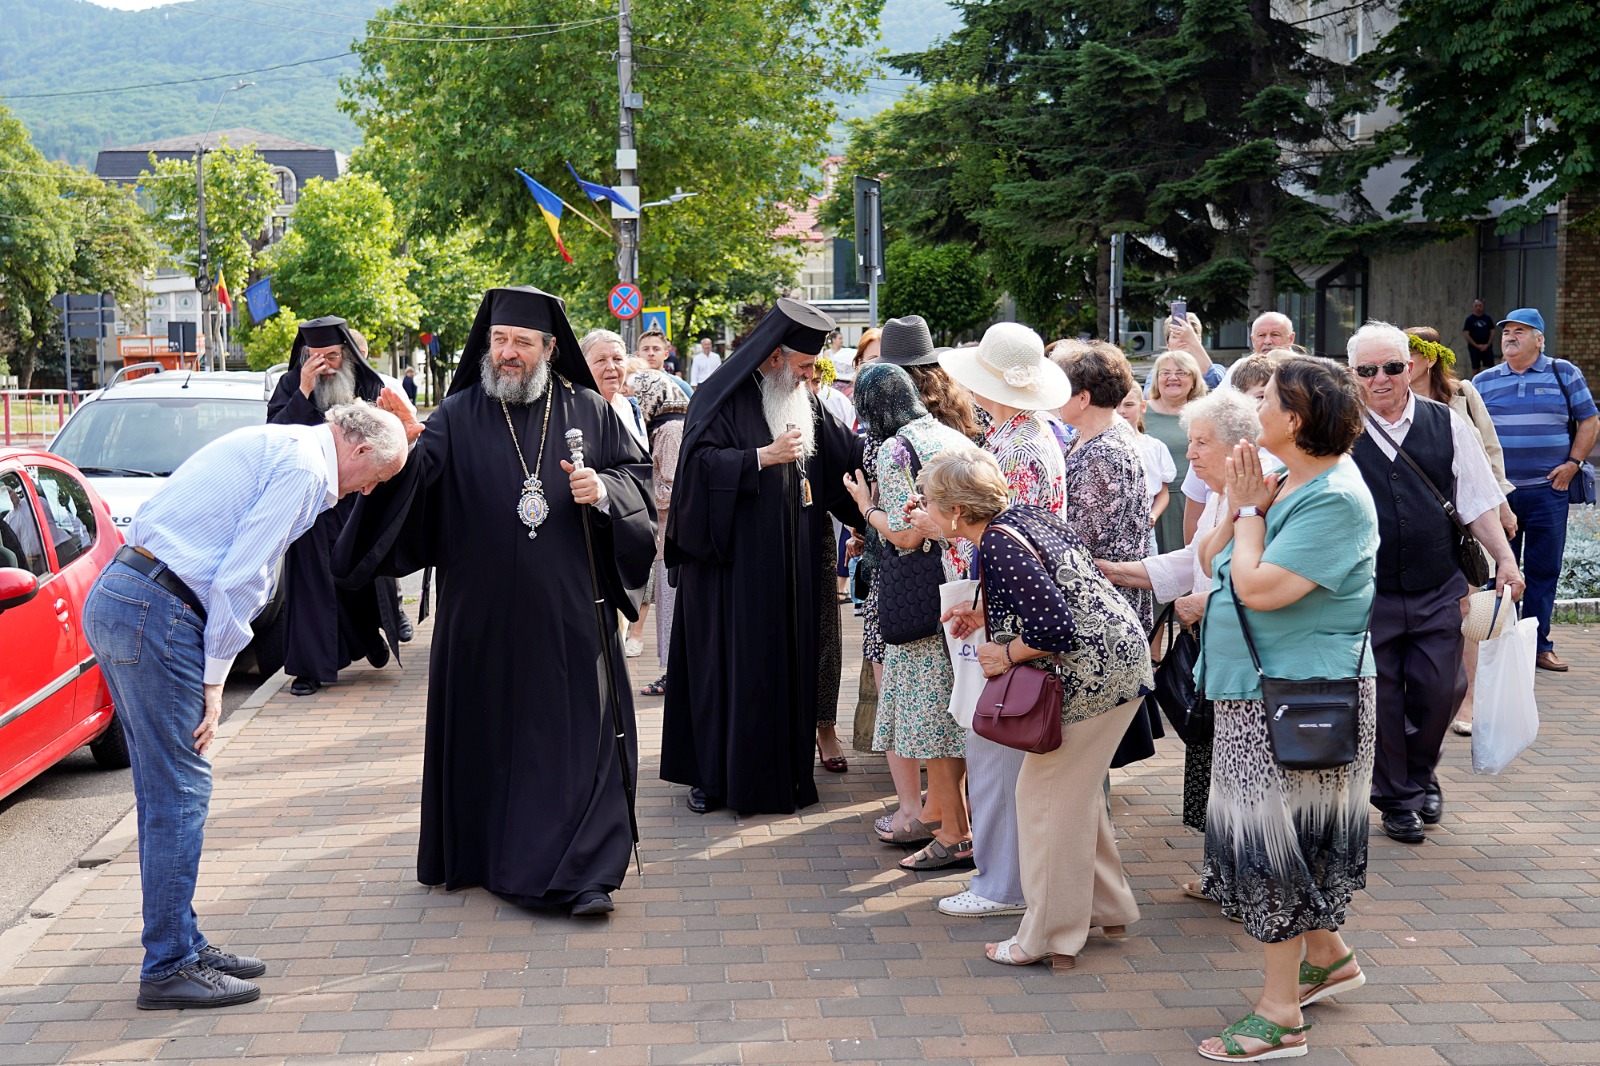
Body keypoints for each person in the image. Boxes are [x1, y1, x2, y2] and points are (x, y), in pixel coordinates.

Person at [336, 286, 657, 917]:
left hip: (569, 613)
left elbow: (636, 484)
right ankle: (487, 855)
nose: (508, 353)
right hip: (481, 616)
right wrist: (403, 449)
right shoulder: (457, 414)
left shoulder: (590, 409)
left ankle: (585, 873)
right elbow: (414, 488)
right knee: (493, 737)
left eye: (522, 343)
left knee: (575, 739)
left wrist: (604, 491)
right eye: (499, 340)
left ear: (549, 348)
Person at [83, 402, 408, 1009]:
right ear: (361, 450)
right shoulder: (306, 470)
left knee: (164, 789)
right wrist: (216, 681)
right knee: (180, 791)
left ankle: (181, 943)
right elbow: (241, 577)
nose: (366, 492)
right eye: (376, 479)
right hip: (157, 609)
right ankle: (169, 965)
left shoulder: (285, 446)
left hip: (128, 594)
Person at [1192, 358, 1377, 1062]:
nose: (1254, 406)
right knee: (1280, 841)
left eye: (1266, 398)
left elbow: (1261, 588)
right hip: (1261, 691)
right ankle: (1327, 959)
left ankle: (1281, 1017)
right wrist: (1242, 507)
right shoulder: (1287, 481)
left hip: (1299, 698)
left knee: (1276, 848)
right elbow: (1212, 560)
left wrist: (1247, 513)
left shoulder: (1335, 498)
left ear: (1295, 420)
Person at [928, 447, 1151, 969]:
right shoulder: (1022, 516)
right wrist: (984, 614)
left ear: (956, 511)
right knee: (1071, 797)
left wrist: (1004, 654)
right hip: (1118, 662)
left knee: (1044, 801)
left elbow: (1054, 628)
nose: (925, 510)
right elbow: (1056, 588)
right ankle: (1104, 907)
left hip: (1093, 677)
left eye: (931, 502)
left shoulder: (998, 541)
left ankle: (1048, 935)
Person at [661, 298, 865, 814]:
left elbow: (845, 463)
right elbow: (695, 473)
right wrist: (759, 457)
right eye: (803, 366)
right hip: (729, 575)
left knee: (781, 669)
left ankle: (783, 772)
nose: (808, 377)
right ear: (775, 356)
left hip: (789, 570)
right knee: (728, 672)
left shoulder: (803, 402)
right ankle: (713, 776)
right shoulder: (719, 395)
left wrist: (875, 511)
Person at [1347, 321, 1523, 844]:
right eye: (1367, 370)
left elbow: (1477, 500)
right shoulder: (1338, 427)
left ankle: (1420, 775)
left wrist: (1505, 561)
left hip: (1437, 582)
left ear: (1411, 367)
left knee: (1442, 689)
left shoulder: (1446, 422)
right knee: (1381, 698)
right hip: (1367, 590)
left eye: (1391, 367)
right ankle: (1398, 799)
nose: (1380, 379)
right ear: (1352, 374)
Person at [933, 321, 1071, 919]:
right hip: (1011, 607)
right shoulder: (1029, 434)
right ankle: (1007, 878)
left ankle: (1000, 884)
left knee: (994, 748)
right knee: (1002, 753)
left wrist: (983, 609)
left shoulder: (1015, 447)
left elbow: (1007, 545)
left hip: (1011, 618)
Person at [1099, 389, 1262, 839]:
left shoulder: (1259, 496)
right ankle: (1221, 858)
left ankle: (1232, 859)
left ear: (1238, 444)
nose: (1190, 454)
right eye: (1190, 442)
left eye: (1201, 443)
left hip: (1245, 653)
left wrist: (1206, 603)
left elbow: (1266, 577)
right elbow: (1192, 560)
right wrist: (1117, 571)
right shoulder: (1219, 496)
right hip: (1216, 647)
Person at [843, 363, 974, 869]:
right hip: (959, 584)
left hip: (918, 595)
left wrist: (865, 506)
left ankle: (953, 834)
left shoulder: (894, 448)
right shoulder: (949, 433)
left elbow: (904, 533)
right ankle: (945, 814)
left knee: (929, 713)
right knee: (954, 707)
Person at [267, 317, 405, 697]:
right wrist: (304, 391)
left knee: (358, 579)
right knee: (312, 588)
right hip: (309, 503)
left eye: (331, 356)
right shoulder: (290, 384)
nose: (324, 364)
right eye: (315, 357)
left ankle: (368, 638)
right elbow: (275, 435)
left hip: (358, 497)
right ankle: (308, 670)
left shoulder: (366, 382)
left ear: (346, 352)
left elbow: (389, 436)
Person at [1405, 326, 1517, 736]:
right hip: (1416, 520)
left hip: (1466, 516)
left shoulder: (1462, 395)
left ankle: (1468, 697)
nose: (1401, 365)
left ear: (1429, 358)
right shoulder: (1385, 400)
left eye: (1410, 354)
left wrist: (1501, 505)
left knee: (1469, 605)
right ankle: (1426, 691)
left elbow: (1490, 452)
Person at [1473, 307, 1599, 672]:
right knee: (1497, 571)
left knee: (1544, 571)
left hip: (1548, 492)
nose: (1510, 337)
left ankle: (1539, 646)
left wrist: (1573, 464)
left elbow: (1590, 420)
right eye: (1506, 332)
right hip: (1499, 496)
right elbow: (1468, 433)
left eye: (1520, 331)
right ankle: (1499, 646)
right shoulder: (1483, 381)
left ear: (1539, 339)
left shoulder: (1564, 372)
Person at [1051, 341, 1155, 628]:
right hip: (1093, 594)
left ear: (1083, 398)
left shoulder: (1105, 453)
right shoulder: (1090, 435)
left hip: (1100, 608)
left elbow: (1081, 537)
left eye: (1061, 391)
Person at [629, 368, 689, 698]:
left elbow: (674, 490)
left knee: (670, 608)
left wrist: (635, 490)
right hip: (668, 537)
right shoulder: (667, 426)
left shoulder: (669, 431)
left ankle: (674, 675)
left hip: (672, 537)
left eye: (636, 396)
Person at [1144, 349, 1209, 553]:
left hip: (1196, 500)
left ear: (1194, 379)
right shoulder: (1140, 411)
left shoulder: (1205, 413)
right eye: (1165, 373)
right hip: (1153, 504)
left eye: (1181, 372)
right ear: (1156, 379)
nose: (1172, 377)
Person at [1116, 386, 1174, 552]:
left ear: (1142, 407)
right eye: (1116, 405)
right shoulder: (1099, 445)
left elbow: (1163, 492)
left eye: (1129, 405)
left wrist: (1153, 515)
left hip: (1144, 529)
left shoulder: (1154, 447)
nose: (1121, 411)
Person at [638, 326, 691, 396]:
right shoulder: (629, 386)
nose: (651, 353)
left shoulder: (680, 386)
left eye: (656, 349)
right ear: (638, 355)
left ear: (666, 354)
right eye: (645, 349)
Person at [1462, 298, 1496, 372]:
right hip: (1474, 348)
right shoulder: (1469, 320)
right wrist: (1477, 345)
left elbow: (1493, 331)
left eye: (1480, 306)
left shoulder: (1487, 318)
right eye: (1476, 306)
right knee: (1475, 368)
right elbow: (1466, 334)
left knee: (1490, 367)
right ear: (1473, 307)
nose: (1478, 308)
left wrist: (1487, 344)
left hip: (1487, 347)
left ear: (1483, 307)